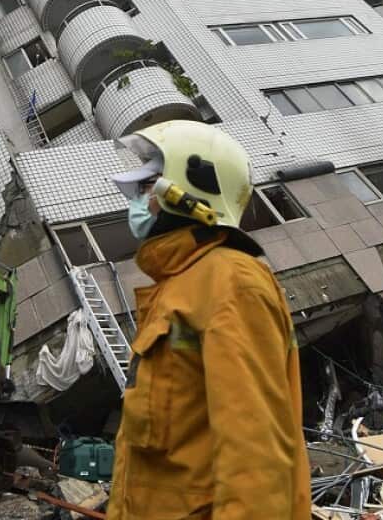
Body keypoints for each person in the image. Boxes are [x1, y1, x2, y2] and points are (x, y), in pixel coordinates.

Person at [104, 120, 310, 520]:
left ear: (186, 190)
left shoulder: (229, 281)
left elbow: (254, 458)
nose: (138, 201)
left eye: (147, 186)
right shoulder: (178, 285)